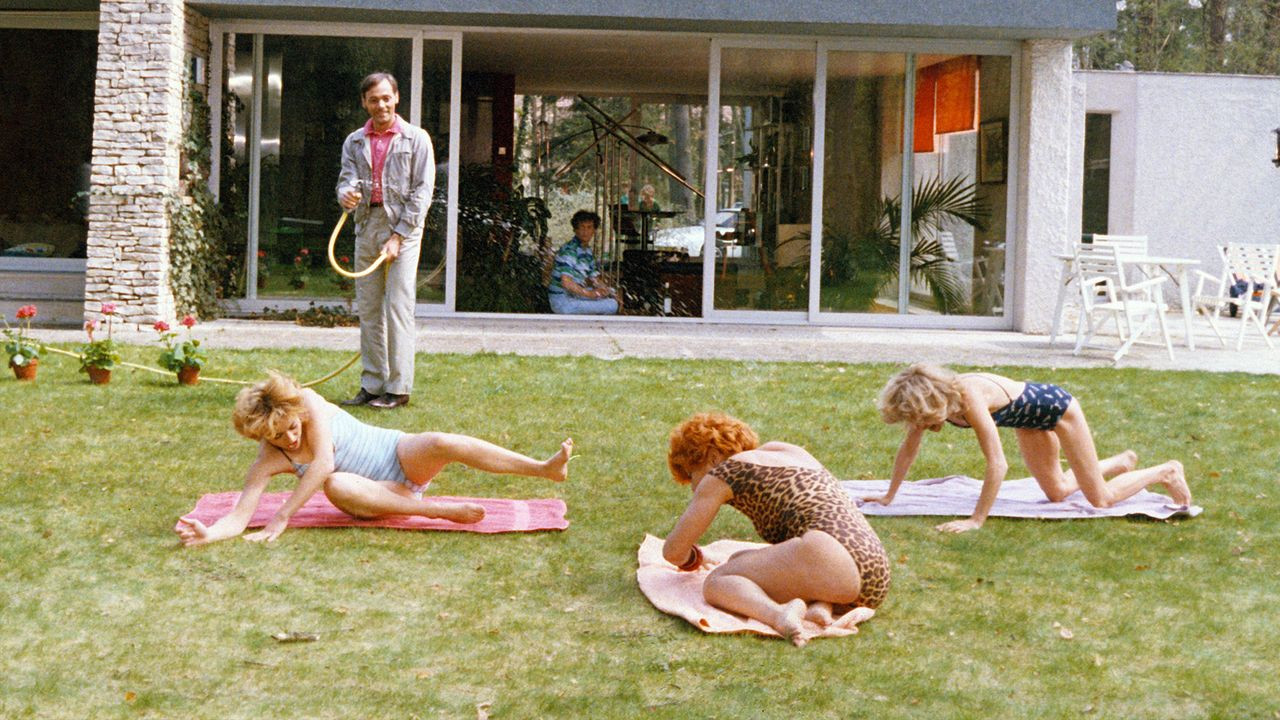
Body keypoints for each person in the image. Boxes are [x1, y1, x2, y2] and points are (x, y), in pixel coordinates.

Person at [174, 372, 572, 546]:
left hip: (397, 454)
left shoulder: (308, 402)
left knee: (440, 441)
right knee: (335, 484)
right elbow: (240, 516)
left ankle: (543, 468)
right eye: (278, 437)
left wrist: (282, 516)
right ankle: (438, 511)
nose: (291, 438)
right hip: (372, 493)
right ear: (262, 436)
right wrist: (210, 534)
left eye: (292, 427)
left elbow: (322, 459)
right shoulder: (268, 459)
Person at [872, 363, 1192, 533]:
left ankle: (1165, 471)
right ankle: (1119, 463)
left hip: (1058, 410)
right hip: (1027, 422)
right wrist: (889, 496)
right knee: (1058, 493)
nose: (923, 425)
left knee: (1101, 499)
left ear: (932, 400)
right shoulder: (933, 403)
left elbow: (997, 464)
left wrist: (976, 520)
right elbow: (909, 449)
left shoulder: (968, 397)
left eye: (923, 419)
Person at [662, 412, 889, 646]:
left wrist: (695, 557)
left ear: (712, 457)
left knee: (718, 582)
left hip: (830, 555)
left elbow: (673, 552)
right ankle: (822, 605)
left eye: (691, 474)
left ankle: (778, 614)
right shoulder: (784, 450)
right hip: (875, 574)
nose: (693, 487)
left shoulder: (722, 473)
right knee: (740, 559)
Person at [336, 71, 435, 410]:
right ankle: (372, 384)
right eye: (374, 100)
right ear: (364, 103)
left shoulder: (416, 139)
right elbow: (346, 181)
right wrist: (346, 194)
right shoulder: (354, 141)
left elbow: (422, 193)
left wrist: (398, 236)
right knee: (368, 309)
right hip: (367, 225)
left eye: (386, 98)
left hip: (403, 229)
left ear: (397, 98)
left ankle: (398, 388)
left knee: (397, 307)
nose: (381, 105)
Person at [548, 210, 621, 315]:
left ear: (594, 230)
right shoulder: (570, 250)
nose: (585, 231)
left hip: (573, 296)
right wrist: (590, 294)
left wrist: (609, 292)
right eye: (582, 227)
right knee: (612, 305)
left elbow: (594, 278)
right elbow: (566, 282)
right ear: (575, 230)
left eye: (589, 227)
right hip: (563, 301)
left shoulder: (587, 251)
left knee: (611, 300)